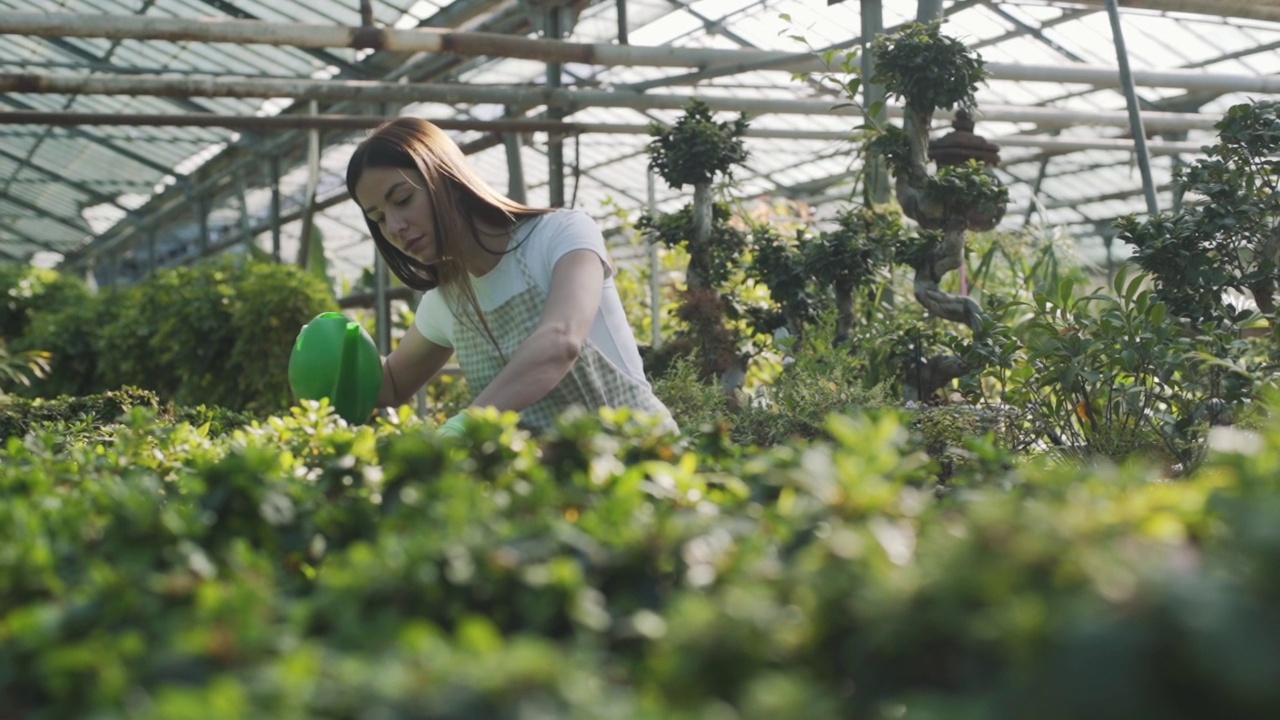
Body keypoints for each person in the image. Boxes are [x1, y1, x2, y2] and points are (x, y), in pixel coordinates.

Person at [345, 116, 676, 438]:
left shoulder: (560, 236)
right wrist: (329, 353)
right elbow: (389, 383)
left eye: (403, 200)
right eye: (378, 218)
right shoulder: (448, 301)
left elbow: (560, 341)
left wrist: (465, 425)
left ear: (445, 177)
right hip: (561, 486)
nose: (395, 227)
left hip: (646, 464)